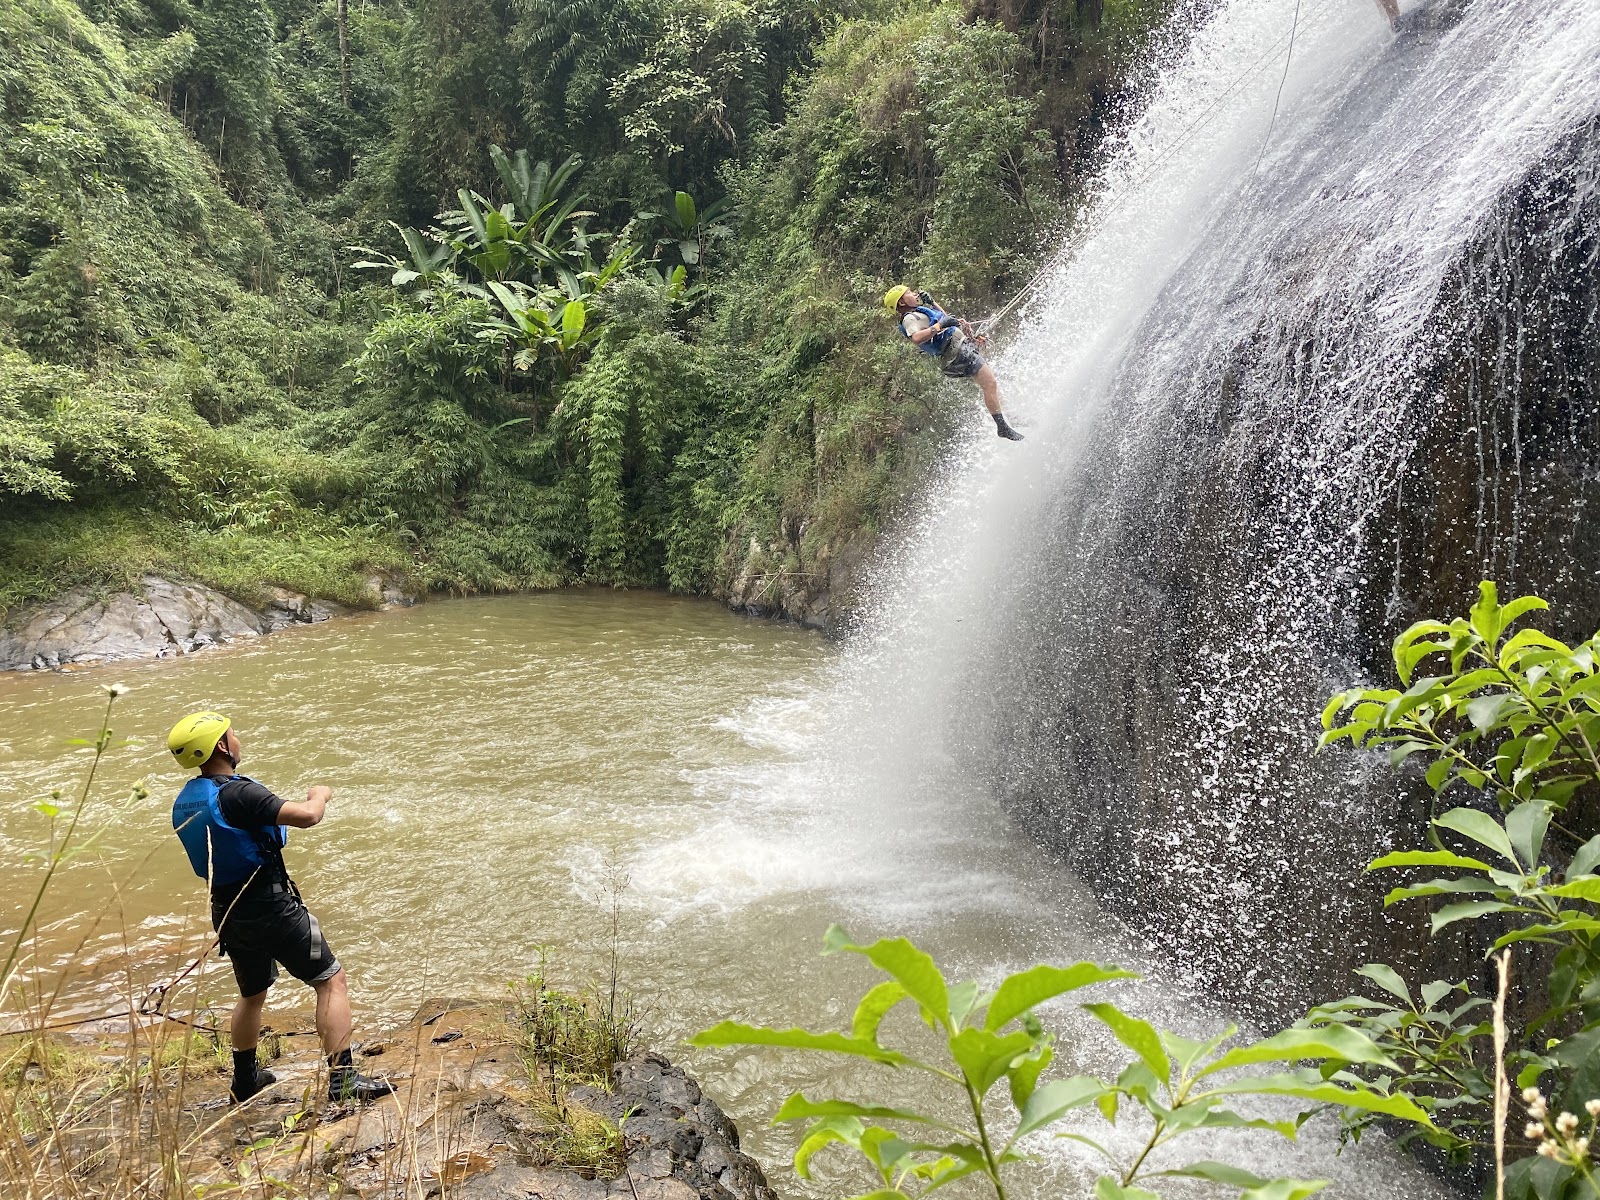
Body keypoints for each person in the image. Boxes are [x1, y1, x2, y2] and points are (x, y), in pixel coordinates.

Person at [167, 711, 395, 1105]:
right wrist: (319, 794)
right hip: (272, 908)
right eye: (231, 734)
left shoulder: (186, 800)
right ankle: (343, 1080)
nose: (237, 739)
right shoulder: (239, 794)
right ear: (221, 746)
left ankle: (245, 1079)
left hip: (226, 911)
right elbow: (307, 817)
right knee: (330, 979)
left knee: (252, 994)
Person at [883, 285, 1024, 441]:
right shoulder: (909, 319)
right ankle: (1002, 427)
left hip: (958, 350)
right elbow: (917, 338)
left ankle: (1010, 417)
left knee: (990, 384)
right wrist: (939, 325)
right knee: (990, 383)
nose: (914, 293)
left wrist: (933, 304)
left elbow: (947, 320)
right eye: (908, 293)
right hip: (956, 353)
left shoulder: (919, 313)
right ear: (901, 303)